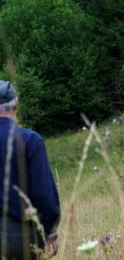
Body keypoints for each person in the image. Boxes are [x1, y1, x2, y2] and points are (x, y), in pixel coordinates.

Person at [0, 81, 60, 259]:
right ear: (16, 105)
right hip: (22, 238)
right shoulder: (31, 141)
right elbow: (43, 194)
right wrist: (50, 233)